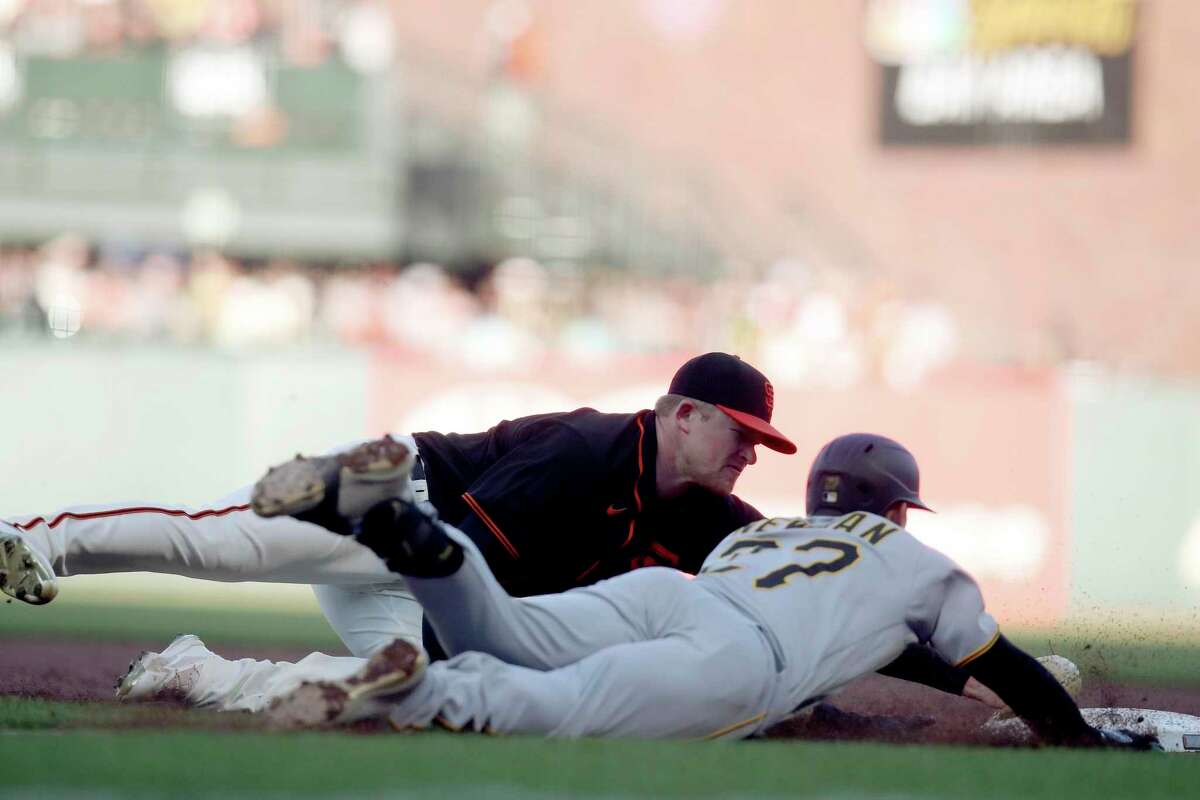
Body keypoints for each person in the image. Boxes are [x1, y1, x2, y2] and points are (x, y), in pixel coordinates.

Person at [0, 352, 796, 711]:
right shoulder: (586, 452)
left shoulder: (700, 510)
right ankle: (33, 537)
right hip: (385, 500)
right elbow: (468, 556)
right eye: (742, 434)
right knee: (220, 543)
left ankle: (196, 672)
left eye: (761, 443)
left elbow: (789, 572)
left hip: (429, 577)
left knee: (409, 691)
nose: (749, 454)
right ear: (684, 416)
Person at [262, 432, 1158, 750]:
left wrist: (906, 700)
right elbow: (996, 661)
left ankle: (424, 544)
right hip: (737, 664)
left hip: (671, 595)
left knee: (508, 632)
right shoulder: (903, 559)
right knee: (559, 706)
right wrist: (1074, 736)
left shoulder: (763, 529)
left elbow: (891, 652)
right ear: (895, 508)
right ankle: (419, 688)